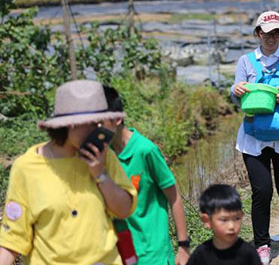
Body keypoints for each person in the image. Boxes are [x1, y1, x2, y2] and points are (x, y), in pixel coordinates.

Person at [0, 80, 137, 265]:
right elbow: (13, 238)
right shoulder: (27, 168)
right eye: (92, 124)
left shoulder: (104, 156)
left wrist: (100, 173)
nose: (99, 130)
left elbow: (124, 210)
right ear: (70, 125)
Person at [230, 10, 279, 264]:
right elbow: (236, 93)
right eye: (266, 32)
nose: (271, 37)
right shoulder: (245, 61)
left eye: (277, 32)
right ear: (257, 33)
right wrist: (236, 89)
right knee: (261, 190)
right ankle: (262, 244)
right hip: (254, 135)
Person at [102, 86, 190, 265]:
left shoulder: (146, 151)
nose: (94, 128)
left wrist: (183, 246)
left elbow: (174, 197)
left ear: (117, 119)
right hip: (121, 254)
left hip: (153, 254)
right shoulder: (103, 156)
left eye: (99, 122)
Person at [187, 184, 261, 265]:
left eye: (237, 218)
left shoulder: (248, 252)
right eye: (224, 220)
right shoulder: (201, 254)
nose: (231, 226)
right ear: (207, 221)